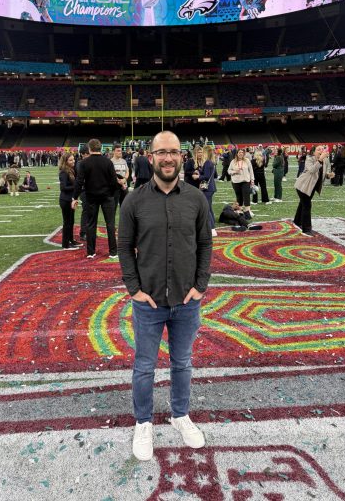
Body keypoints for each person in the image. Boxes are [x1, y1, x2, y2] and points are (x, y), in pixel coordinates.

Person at [118, 131, 212, 462]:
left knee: (182, 363)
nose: (168, 158)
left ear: (181, 156)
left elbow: (205, 244)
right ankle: (143, 422)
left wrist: (201, 284)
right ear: (150, 156)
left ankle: (180, 414)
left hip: (187, 300)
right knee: (144, 366)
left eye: (174, 151)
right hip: (149, 302)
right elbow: (124, 247)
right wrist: (135, 289)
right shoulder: (134, 200)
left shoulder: (196, 199)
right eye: (162, 152)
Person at [72, 138, 118, 259]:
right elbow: (114, 182)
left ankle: (91, 252)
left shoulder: (84, 163)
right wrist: (110, 194)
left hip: (91, 196)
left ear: (89, 149)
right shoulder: (108, 162)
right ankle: (113, 252)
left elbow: (79, 182)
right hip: (107, 197)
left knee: (91, 224)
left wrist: (75, 197)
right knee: (110, 224)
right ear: (100, 148)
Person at [294, 145, 334, 237]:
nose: (321, 150)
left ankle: (297, 221)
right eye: (318, 149)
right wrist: (320, 160)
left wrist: (328, 175)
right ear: (313, 152)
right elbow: (312, 170)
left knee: (303, 204)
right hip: (303, 186)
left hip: (311, 187)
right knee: (307, 205)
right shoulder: (310, 159)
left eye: (322, 149)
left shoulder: (324, 161)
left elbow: (321, 173)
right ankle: (306, 229)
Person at [58, 153, 82, 250]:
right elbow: (63, 187)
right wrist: (76, 187)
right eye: (71, 160)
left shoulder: (72, 170)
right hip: (65, 200)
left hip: (71, 200)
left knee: (71, 221)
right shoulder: (64, 172)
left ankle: (71, 240)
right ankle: (65, 244)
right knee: (67, 222)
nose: (73, 161)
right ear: (65, 162)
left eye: (73, 160)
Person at [228, 148, 255, 220]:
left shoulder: (247, 161)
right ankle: (240, 211)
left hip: (246, 180)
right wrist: (234, 171)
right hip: (236, 181)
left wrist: (252, 179)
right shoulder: (233, 162)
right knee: (239, 197)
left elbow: (251, 170)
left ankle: (248, 211)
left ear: (244, 153)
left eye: (242, 152)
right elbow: (229, 171)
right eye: (239, 152)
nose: (241, 154)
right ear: (237, 153)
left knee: (246, 195)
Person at [198, 145, 218, 237]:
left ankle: (212, 228)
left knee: (206, 208)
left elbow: (206, 176)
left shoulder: (207, 163)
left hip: (208, 188)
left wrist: (198, 176)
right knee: (209, 208)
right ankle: (213, 225)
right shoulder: (211, 162)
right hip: (211, 188)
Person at [111, 144, 129, 214]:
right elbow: (112, 175)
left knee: (125, 208)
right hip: (115, 188)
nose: (120, 152)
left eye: (120, 151)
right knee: (113, 208)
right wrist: (120, 182)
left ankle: (123, 224)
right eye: (118, 151)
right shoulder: (110, 162)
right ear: (113, 152)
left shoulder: (123, 161)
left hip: (124, 187)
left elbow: (127, 171)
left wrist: (125, 179)